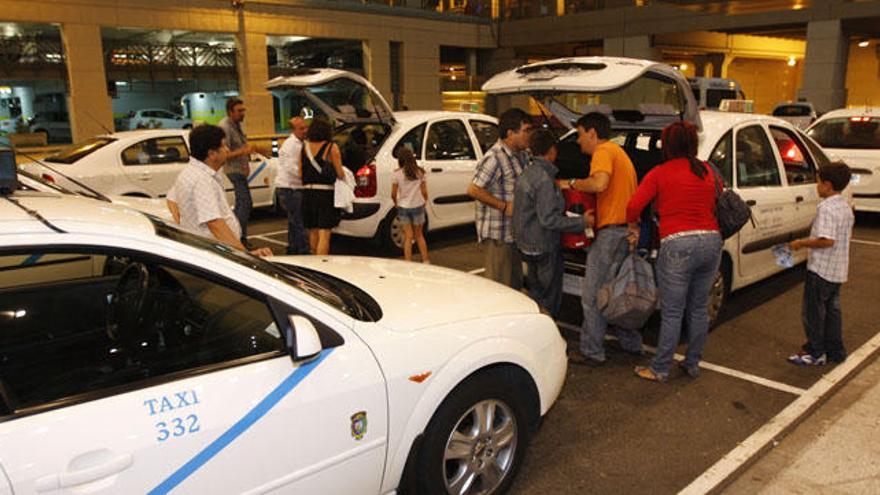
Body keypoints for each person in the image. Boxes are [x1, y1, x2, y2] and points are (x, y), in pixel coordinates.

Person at [626, 121, 722, 382]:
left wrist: (633, 226)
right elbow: (717, 198)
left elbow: (634, 206)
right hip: (712, 241)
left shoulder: (660, 172)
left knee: (672, 311)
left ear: (666, 145)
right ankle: (692, 363)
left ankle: (659, 368)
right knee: (699, 308)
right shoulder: (707, 171)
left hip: (678, 242)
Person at [565, 112, 643, 366]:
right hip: (624, 231)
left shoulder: (603, 152)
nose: (578, 142)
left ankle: (591, 351)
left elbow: (599, 184)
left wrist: (572, 183)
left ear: (592, 133)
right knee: (617, 292)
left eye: (579, 135)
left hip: (610, 234)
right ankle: (632, 343)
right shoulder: (621, 154)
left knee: (591, 295)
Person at [513, 128, 591, 318]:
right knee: (550, 298)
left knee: (536, 293)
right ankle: (548, 331)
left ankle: (537, 328)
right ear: (551, 151)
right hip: (544, 246)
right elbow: (548, 219)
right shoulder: (544, 179)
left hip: (526, 244)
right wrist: (583, 222)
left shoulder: (527, 173)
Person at [166, 124, 272, 257]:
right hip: (215, 256)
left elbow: (171, 199)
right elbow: (215, 223)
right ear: (211, 154)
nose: (227, 150)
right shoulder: (202, 180)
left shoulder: (190, 172)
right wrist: (246, 257)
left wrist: (186, 225)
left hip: (209, 251)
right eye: (223, 146)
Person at [787, 162, 854, 366]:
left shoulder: (826, 208)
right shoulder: (845, 206)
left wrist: (801, 243)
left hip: (821, 270)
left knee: (813, 313)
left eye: (818, 182)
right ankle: (835, 350)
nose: (816, 186)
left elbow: (827, 240)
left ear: (827, 185)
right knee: (833, 312)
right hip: (838, 270)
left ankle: (815, 352)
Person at [467, 108, 533, 289]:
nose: (530, 135)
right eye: (526, 130)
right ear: (511, 133)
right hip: (498, 236)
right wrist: (503, 206)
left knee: (515, 286)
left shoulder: (522, 156)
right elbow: (474, 189)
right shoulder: (495, 157)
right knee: (499, 288)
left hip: (514, 235)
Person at [301, 118, 345, 255]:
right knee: (324, 233)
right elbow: (340, 173)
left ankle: (314, 260)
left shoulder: (304, 147)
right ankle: (322, 264)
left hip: (307, 193)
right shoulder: (331, 147)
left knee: (313, 231)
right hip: (325, 194)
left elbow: (299, 172)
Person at [218, 97, 258, 247]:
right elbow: (224, 154)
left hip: (239, 169)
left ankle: (237, 235)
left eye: (243, 110)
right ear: (230, 111)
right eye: (239, 111)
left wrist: (246, 161)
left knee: (242, 204)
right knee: (245, 203)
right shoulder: (225, 127)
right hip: (233, 169)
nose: (243, 113)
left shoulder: (236, 125)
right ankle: (239, 238)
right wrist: (244, 151)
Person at [275, 116, 311, 255]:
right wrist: (306, 177)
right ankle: (303, 251)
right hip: (290, 188)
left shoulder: (301, 143)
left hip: (292, 187)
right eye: (301, 128)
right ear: (293, 130)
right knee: (299, 221)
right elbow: (291, 168)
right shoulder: (291, 145)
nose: (305, 130)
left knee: (294, 221)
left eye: (305, 127)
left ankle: (293, 248)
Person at [391, 148, 430, 263]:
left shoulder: (397, 174)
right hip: (418, 206)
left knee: (408, 237)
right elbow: (424, 191)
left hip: (403, 207)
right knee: (419, 236)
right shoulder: (420, 172)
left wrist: (396, 203)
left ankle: (408, 262)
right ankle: (426, 260)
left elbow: (393, 193)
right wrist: (425, 201)